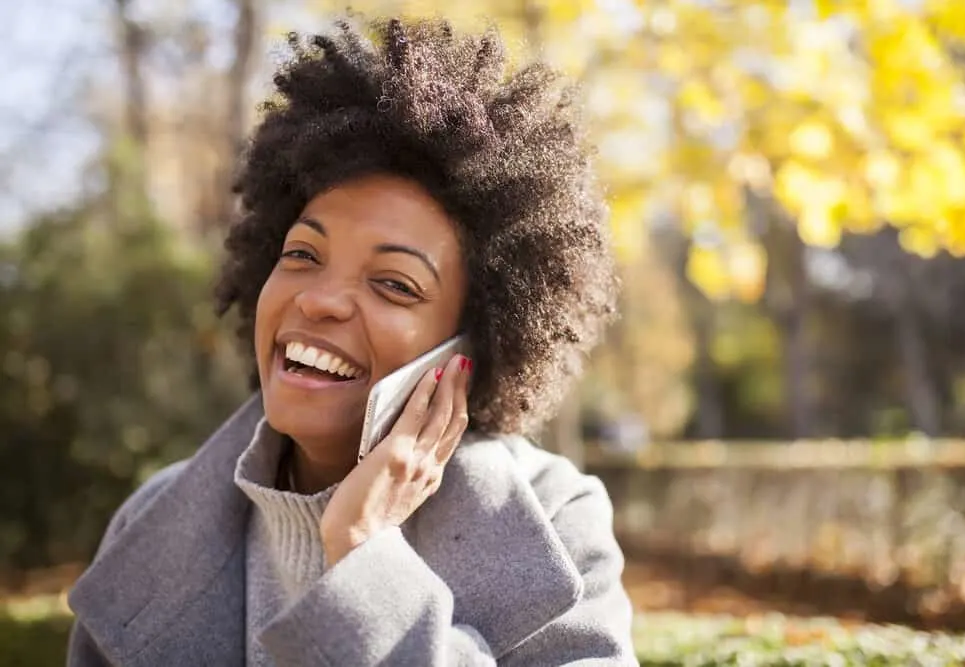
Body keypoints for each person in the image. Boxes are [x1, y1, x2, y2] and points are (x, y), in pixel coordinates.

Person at [67, 16, 635, 666]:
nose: (318, 298)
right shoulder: (150, 519)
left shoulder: (558, 516)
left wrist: (364, 551)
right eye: (303, 253)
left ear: (470, 346)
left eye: (394, 283)